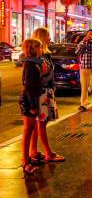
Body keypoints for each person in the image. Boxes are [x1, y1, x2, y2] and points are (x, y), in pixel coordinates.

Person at [19, 39, 64, 174]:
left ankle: (27, 159)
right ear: (33, 49)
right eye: (38, 47)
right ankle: (25, 162)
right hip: (29, 101)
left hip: (33, 99)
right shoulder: (30, 64)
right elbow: (30, 87)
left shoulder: (36, 62)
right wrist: (33, 105)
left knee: (31, 129)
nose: (41, 49)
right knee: (28, 131)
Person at [29, 27, 63, 165]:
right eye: (48, 36)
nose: (50, 38)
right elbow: (39, 77)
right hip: (42, 93)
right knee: (41, 123)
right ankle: (48, 153)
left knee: (39, 124)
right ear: (42, 38)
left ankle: (34, 151)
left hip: (46, 92)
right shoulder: (38, 58)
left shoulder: (44, 55)